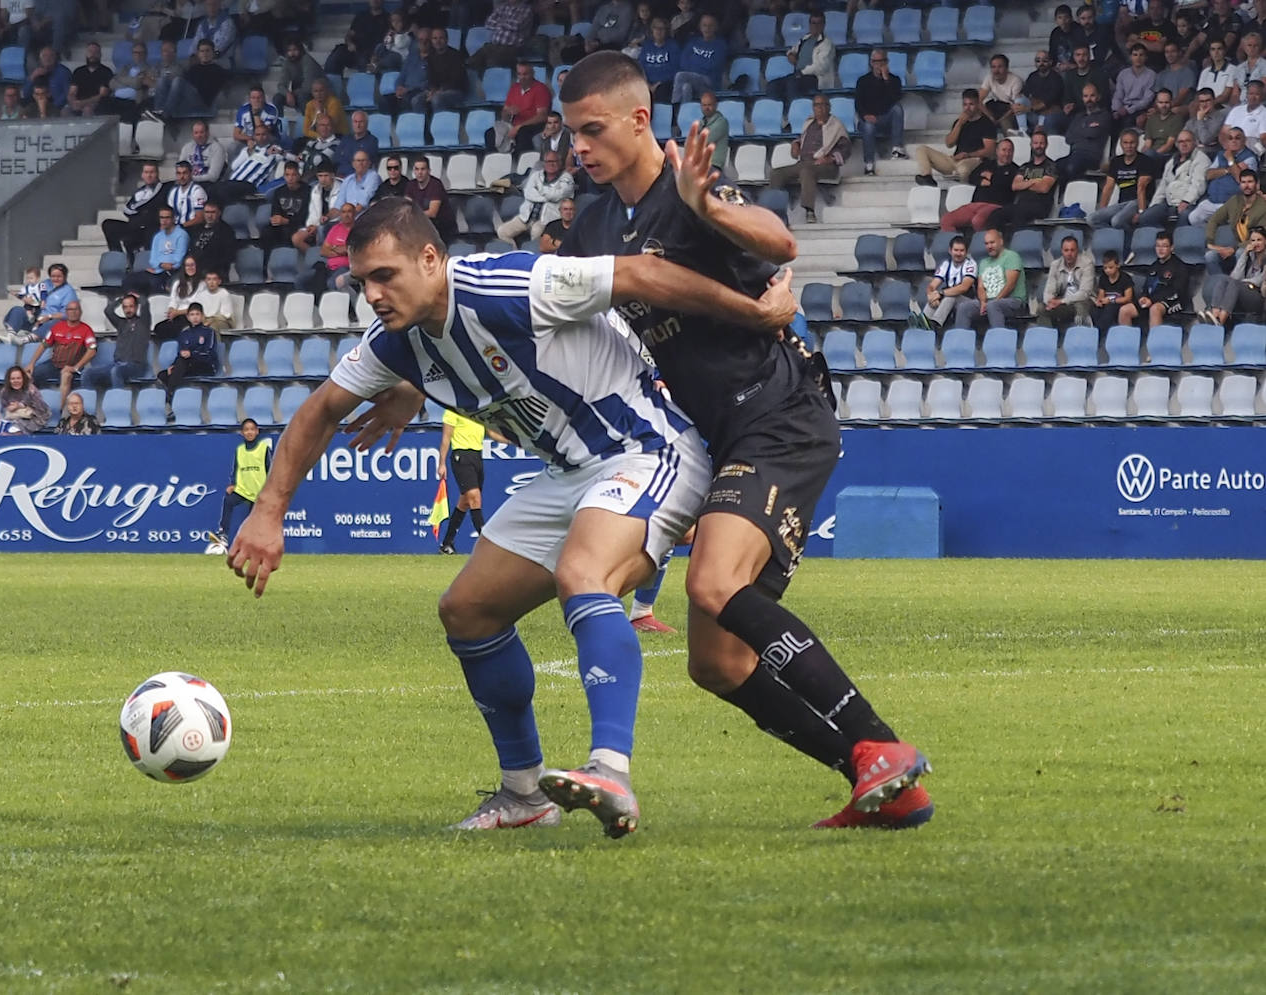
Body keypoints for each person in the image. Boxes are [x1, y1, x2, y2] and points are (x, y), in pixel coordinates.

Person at [228, 197, 798, 837]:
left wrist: (754, 312)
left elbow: (639, 276)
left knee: (584, 573)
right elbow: (320, 410)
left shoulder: (509, 285)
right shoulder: (396, 343)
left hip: (645, 447)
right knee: (468, 610)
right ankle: (524, 797)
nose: (374, 294)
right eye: (362, 282)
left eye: (386, 275)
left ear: (429, 259)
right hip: (569, 472)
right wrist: (268, 512)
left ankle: (610, 768)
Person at [539, 52, 931, 829]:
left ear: (639, 119)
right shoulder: (590, 225)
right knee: (715, 662)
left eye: (591, 130)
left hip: (778, 413)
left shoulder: (688, 187)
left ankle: (880, 747)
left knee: (713, 584)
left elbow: (778, 241)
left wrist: (709, 209)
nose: (578, 147)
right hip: (710, 437)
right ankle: (882, 773)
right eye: (570, 133)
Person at [768, 94, 850, 223]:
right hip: (804, 162)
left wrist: (830, 158)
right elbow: (803, 139)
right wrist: (795, 144)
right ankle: (775, 212)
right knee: (776, 174)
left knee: (806, 171)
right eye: (816, 105)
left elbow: (846, 149)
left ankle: (810, 211)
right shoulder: (809, 123)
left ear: (829, 107)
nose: (819, 108)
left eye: (823, 105)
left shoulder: (836, 125)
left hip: (826, 165)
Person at [436, 409, 494, 554]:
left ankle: (447, 543)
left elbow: (492, 433)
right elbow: (446, 438)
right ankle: (485, 546)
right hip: (461, 456)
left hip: (477, 456)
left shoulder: (478, 409)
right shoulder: (452, 411)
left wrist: (514, 440)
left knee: (465, 502)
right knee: (475, 498)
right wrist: (441, 463)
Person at [208, 419, 273, 547]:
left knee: (253, 521)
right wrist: (233, 484)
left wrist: (269, 489)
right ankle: (223, 535)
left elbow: (269, 469)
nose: (249, 432)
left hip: (258, 491)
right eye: (246, 430)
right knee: (228, 501)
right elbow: (237, 468)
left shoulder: (263, 449)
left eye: (252, 429)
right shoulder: (240, 450)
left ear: (257, 431)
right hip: (242, 489)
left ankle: (256, 544)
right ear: (242, 433)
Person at [914, 88, 997, 186]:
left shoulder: (986, 123)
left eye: (971, 104)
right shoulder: (959, 122)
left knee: (962, 169)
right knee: (922, 149)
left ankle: (960, 189)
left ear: (978, 104)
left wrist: (968, 155)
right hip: (955, 160)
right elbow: (949, 143)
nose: (967, 108)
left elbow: (990, 150)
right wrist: (959, 124)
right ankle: (927, 178)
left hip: (974, 160)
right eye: (965, 104)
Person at [938, 138, 1017, 233]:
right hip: (975, 204)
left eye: (1010, 150)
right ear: (997, 151)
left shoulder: (1015, 169)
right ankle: (958, 246)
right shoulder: (987, 164)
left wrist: (991, 177)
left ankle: (982, 245)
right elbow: (972, 177)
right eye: (1004, 150)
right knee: (946, 220)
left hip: (996, 206)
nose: (1007, 153)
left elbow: (1007, 184)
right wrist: (980, 181)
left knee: (978, 220)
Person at [497, 150, 575, 245]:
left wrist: (540, 189)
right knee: (502, 231)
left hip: (547, 219)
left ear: (560, 163)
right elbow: (528, 193)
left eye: (554, 161)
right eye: (548, 161)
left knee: (536, 231)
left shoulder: (567, 178)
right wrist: (547, 195)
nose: (551, 164)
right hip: (526, 217)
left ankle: (535, 257)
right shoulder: (536, 175)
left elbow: (557, 195)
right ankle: (516, 253)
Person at [955, 228, 1026, 330]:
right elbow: (980, 287)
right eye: (986, 244)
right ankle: (960, 342)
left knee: (993, 306)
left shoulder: (1011, 256)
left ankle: (998, 341)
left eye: (992, 242)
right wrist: (983, 302)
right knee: (964, 307)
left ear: (1001, 241)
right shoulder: (984, 262)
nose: (989, 246)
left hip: (1012, 301)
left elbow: (1011, 284)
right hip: (988, 301)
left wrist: (993, 301)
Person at [988, 131, 1060, 232]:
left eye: (1041, 143)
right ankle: (997, 242)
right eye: (1035, 143)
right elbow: (1015, 186)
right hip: (1021, 204)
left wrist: (1025, 183)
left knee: (1019, 214)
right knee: (996, 214)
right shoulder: (1025, 167)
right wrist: (1033, 181)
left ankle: (1016, 243)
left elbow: (1044, 188)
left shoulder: (1051, 166)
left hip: (1040, 206)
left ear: (1046, 145)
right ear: (1031, 145)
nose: (1038, 146)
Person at [26, 300, 97, 401]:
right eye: (70, 309)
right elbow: (44, 345)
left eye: (76, 309)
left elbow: (92, 351)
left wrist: (76, 367)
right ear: (66, 312)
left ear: (80, 312)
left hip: (72, 367)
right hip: (54, 364)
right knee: (28, 375)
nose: (73, 312)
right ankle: (34, 406)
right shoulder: (57, 327)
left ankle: (59, 411)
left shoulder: (86, 330)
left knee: (66, 375)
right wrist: (31, 363)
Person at [1140, 129, 1210, 229]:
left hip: (1190, 203)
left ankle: (1176, 241)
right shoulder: (1172, 161)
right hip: (1169, 204)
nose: (1184, 144)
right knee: (1146, 217)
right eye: (1181, 142)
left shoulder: (1201, 159)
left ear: (1195, 142)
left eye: (1187, 141)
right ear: (1176, 144)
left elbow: (1198, 185)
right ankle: (1163, 241)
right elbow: (1162, 186)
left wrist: (1186, 201)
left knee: (1184, 217)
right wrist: (1154, 205)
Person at [1088, 128, 1156, 229]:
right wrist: (1102, 210)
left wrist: (1141, 213)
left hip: (1138, 201)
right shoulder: (1116, 162)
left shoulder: (1145, 161)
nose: (1129, 146)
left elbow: (1141, 188)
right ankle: (1114, 238)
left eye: (1132, 143)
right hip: (1122, 203)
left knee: (1117, 221)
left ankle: (1129, 240)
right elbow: (1108, 187)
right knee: (1092, 219)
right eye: (1125, 143)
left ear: (1137, 143)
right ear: (1121, 144)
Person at [1190, 127, 1259, 224]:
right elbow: (1209, 175)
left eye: (1237, 138)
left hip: (1233, 203)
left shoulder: (1250, 158)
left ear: (1244, 140)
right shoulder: (1221, 154)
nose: (1234, 141)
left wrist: (1230, 160)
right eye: (1230, 138)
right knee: (1193, 218)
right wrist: (1229, 170)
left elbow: (1242, 181)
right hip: (1212, 200)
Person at [157, 303, 219, 409]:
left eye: (197, 314)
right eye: (192, 314)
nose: (195, 317)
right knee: (163, 374)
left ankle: (170, 397)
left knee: (181, 364)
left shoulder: (209, 332)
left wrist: (192, 354)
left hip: (205, 364)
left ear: (202, 316)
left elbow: (210, 353)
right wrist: (173, 366)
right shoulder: (184, 334)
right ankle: (173, 403)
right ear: (188, 317)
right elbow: (180, 353)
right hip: (188, 365)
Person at [85, 293, 153, 389]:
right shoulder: (121, 323)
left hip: (136, 366)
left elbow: (145, 303)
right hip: (118, 364)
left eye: (131, 306)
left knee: (116, 371)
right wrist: (120, 299)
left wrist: (137, 296)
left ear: (137, 307)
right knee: (87, 373)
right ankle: (87, 402)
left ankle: (118, 400)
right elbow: (108, 311)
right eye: (125, 307)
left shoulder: (143, 322)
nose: (128, 310)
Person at [854, 47, 904, 175]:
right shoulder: (863, 81)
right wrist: (865, 115)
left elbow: (895, 98)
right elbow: (858, 103)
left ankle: (897, 149)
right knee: (869, 127)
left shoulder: (894, 80)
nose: (879, 64)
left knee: (897, 109)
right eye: (876, 62)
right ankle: (869, 164)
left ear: (886, 62)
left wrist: (886, 80)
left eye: (882, 61)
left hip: (885, 118)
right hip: (867, 119)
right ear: (871, 63)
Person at [0, 262, 76, 344]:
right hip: (35, 318)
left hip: (50, 322)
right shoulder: (45, 283)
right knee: (17, 310)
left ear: (65, 276)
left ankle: (26, 339)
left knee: (56, 323)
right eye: (53, 276)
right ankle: (11, 336)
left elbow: (68, 315)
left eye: (59, 276)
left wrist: (49, 316)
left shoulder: (69, 292)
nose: (56, 279)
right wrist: (28, 300)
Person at [1202, 225, 1266, 325]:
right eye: (1253, 240)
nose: (1256, 243)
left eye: (1259, 240)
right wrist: (1244, 255)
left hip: (1258, 297)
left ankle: (1221, 321)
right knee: (1224, 280)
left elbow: (1260, 280)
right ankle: (1214, 315)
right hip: (1244, 291)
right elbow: (1235, 276)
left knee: (1235, 284)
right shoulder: (1250, 255)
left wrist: (1242, 282)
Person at [1205, 168, 1266, 269]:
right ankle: (1220, 281)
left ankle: (1239, 283)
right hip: (1237, 246)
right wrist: (1210, 243)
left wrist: (1233, 249)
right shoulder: (1234, 201)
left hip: (1257, 247)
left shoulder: (1263, 206)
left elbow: (1262, 235)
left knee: (1240, 253)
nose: (1246, 186)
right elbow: (1214, 220)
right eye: (1243, 182)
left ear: (1257, 184)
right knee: (1210, 256)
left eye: (1250, 182)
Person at [772, 9, 834, 104]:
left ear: (823, 25)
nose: (815, 26)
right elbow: (792, 50)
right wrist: (790, 55)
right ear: (809, 25)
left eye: (819, 23)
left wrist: (802, 72)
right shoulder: (805, 39)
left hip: (815, 78)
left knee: (792, 84)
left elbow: (821, 67)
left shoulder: (827, 43)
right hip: (799, 75)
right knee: (773, 86)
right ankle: (781, 112)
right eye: (813, 23)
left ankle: (794, 112)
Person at [124, 207, 190, 294]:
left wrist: (163, 265)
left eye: (167, 217)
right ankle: (137, 300)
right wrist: (160, 264)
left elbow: (178, 259)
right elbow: (153, 259)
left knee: (155, 284)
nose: (164, 221)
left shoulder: (182, 235)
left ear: (174, 218)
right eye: (162, 218)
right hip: (158, 270)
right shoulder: (158, 236)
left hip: (174, 272)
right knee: (129, 279)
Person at [1131, 231, 1189, 326]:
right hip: (1152, 301)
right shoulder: (1154, 266)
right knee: (1125, 310)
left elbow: (1177, 292)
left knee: (1155, 309)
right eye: (1158, 246)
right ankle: (1127, 340)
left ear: (1172, 247)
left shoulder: (1180, 267)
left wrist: (1152, 301)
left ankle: (1154, 340)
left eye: (1164, 246)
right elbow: (1146, 287)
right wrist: (1143, 297)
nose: (1160, 249)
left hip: (1173, 302)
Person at [491, 62, 551, 154]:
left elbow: (542, 116)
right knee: (490, 133)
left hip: (534, 125)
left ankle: (522, 161)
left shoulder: (541, 89)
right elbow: (504, 115)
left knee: (523, 133)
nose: (522, 77)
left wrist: (519, 127)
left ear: (532, 74)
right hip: (514, 124)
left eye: (525, 74)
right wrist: (508, 112)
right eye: (519, 74)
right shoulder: (514, 88)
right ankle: (494, 160)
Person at [1060, 83, 1115, 181]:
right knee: (1055, 167)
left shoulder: (1104, 115)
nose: (1089, 99)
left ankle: (1076, 192)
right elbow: (1068, 138)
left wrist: (1078, 131)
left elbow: (1093, 133)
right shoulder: (1078, 116)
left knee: (1071, 167)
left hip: (1092, 157)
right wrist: (1087, 130)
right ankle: (1063, 194)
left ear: (1098, 97)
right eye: (1086, 96)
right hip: (1074, 154)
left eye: (1092, 95)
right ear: (1082, 98)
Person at [922, 235, 978, 330]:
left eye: (961, 250)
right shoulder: (946, 264)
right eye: (956, 250)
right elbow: (932, 285)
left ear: (966, 252)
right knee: (935, 297)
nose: (958, 253)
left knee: (950, 296)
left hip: (968, 300)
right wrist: (931, 295)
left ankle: (935, 323)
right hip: (949, 298)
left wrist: (940, 293)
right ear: (950, 250)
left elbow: (964, 287)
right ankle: (923, 322)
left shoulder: (971, 264)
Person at [260, 161, 312, 259]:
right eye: (287, 175)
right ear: (284, 176)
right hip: (282, 224)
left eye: (293, 175)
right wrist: (275, 219)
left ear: (299, 175)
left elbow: (305, 216)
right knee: (266, 231)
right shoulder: (279, 191)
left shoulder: (308, 191)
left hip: (299, 225)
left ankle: (287, 261)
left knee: (287, 232)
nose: (290, 178)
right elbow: (275, 211)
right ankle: (266, 263)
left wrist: (286, 221)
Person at [1042, 235, 1096, 328]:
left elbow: (1084, 293)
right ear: (1062, 251)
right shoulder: (1055, 265)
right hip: (1062, 301)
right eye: (1066, 250)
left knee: (1080, 306)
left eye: (1072, 250)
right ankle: (1048, 338)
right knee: (1042, 308)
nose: (1069, 253)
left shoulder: (1087, 263)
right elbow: (1049, 290)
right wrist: (1050, 302)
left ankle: (1081, 334)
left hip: (1081, 301)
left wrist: (1062, 301)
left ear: (1077, 251)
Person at [469, 0, 533, 71]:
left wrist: (498, 22)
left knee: (492, 62)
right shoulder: (503, 7)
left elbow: (516, 25)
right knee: (471, 62)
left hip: (511, 48)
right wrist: (506, 23)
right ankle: (485, 79)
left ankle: (495, 77)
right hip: (493, 46)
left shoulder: (526, 9)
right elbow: (488, 23)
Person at [151, 255, 204, 339]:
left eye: (192, 265)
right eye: (187, 265)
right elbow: (173, 300)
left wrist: (177, 312)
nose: (190, 268)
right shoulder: (178, 283)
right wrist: (171, 310)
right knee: (159, 327)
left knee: (177, 330)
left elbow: (196, 306)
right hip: (177, 315)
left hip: (191, 316)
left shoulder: (202, 284)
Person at [417, 26, 468, 113]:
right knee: (416, 100)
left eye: (441, 38)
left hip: (456, 91)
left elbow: (456, 80)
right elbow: (431, 79)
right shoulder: (430, 57)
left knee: (437, 99)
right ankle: (424, 126)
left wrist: (439, 91)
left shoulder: (456, 55)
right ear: (431, 41)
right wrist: (433, 91)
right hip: (438, 91)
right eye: (435, 38)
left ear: (447, 40)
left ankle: (440, 125)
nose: (438, 41)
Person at [405, 155, 454, 240]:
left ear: (429, 171)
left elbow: (432, 213)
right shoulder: (410, 185)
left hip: (442, 229)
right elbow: (406, 207)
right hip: (422, 225)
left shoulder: (436, 184)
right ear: (414, 171)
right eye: (417, 169)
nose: (419, 172)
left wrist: (413, 214)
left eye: (423, 169)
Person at [273, 38, 325, 113]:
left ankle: (308, 122)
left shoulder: (307, 60)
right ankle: (279, 122)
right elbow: (281, 84)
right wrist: (287, 93)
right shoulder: (287, 62)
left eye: (295, 50)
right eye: (289, 51)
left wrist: (292, 94)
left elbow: (308, 87)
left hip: (316, 93)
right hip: (298, 93)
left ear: (300, 50)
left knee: (302, 97)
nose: (292, 53)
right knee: (277, 98)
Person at [1021, 50, 1067, 135]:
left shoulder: (1056, 78)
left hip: (1052, 113)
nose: (1041, 63)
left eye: (1044, 61)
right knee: (1019, 102)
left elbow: (1049, 102)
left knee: (1049, 119)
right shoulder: (1032, 76)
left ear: (1050, 62)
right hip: (1035, 112)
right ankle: (1022, 130)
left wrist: (1032, 108)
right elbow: (1027, 95)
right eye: (1038, 61)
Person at [188, 201, 238, 278]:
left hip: (215, 272)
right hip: (194, 268)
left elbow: (228, 257)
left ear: (219, 213)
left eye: (213, 212)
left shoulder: (227, 231)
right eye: (207, 212)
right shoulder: (196, 229)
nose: (209, 216)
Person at [637, 16, 680, 104]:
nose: (658, 31)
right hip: (646, 82)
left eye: (662, 28)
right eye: (656, 28)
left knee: (661, 92)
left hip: (664, 84)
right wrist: (647, 84)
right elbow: (640, 66)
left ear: (666, 31)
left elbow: (675, 70)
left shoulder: (673, 46)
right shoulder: (647, 45)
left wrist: (656, 85)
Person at [63, 40, 111, 117]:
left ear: (100, 55)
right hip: (79, 102)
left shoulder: (106, 72)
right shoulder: (78, 71)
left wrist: (83, 103)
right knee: (65, 111)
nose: (93, 54)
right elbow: (72, 92)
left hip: (96, 104)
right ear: (86, 54)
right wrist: (73, 102)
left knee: (87, 109)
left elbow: (102, 95)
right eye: (90, 51)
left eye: (96, 52)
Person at [1061, 45, 1109, 121]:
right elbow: (1067, 97)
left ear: (1089, 56)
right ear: (1074, 57)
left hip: (1095, 114)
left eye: (1084, 55)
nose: (1081, 58)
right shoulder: (1070, 75)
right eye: (1078, 55)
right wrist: (1067, 105)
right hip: (1075, 114)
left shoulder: (1099, 74)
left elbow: (1103, 100)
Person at [1092, 250, 1135, 332]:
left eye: (1110, 267)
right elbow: (1101, 294)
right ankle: (1095, 332)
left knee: (1109, 309)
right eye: (1105, 268)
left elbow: (1128, 298)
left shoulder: (1125, 278)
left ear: (1118, 265)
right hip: (1108, 304)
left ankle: (1099, 332)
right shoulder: (1103, 278)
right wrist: (1099, 301)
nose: (1107, 270)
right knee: (1095, 310)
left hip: (1121, 304)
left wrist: (1111, 300)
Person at [0, 366, 50, 434]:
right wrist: (9, 408)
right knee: (4, 427)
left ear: (23, 379)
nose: (16, 381)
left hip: (34, 417)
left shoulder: (31, 390)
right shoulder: (5, 392)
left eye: (18, 378)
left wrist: (21, 405)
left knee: (17, 428)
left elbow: (42, 409)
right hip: (13, 417)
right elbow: (3, 408)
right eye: (13, 379)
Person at [978, 53, 1023, 133]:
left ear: (1006, 68)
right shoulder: (989, 77)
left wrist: (1000, 120)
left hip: (1012, 110)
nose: (996, 71)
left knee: (1004, 122)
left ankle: (1011, 142)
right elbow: (978, 100)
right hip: (997, 107)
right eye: (993, 67)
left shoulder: (1016, 81)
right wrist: (990, 117)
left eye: (1000, 67)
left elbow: (1016, 107)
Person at [180, 120, 227, 187]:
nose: (199, 135)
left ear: (207, 133)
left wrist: (191, 178)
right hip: (188, 183)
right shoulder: (187, 148)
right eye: (196, 133)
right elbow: (180, 169)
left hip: (209, 185)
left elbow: (213, 176)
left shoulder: (217, 148)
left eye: (201, 132)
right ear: (192, 134)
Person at [1141, 88, 1183, 163]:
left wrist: (1152, 155)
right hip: (1151, 154)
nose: (1163, 105)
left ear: (1171, 102)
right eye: (1161, 102)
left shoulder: (1177, 119)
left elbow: (1169, 145)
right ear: (1156, 103)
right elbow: (1148, 143)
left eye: (1166, 102)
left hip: (1167, 155)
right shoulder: (1152, 119)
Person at [1154, 40, 1195, 115]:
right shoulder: (1161, 74)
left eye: (1173, 51)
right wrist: (1155, 109)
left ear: (1179, 53)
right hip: (1164, 107)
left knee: (1174, 111)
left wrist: (1164, 108)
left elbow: (1181, 98)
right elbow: (1157, 97)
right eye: (1167, 52)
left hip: (1181, 107)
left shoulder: (1188, 73)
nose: (1170, 55)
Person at [1226, 80, 1266, 156]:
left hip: (1252, 153)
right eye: (1251, 94)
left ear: (1262, 96)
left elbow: (1263, 138)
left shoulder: (1264, 113)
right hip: (1230, 151)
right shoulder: (1236, 110)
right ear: (1246, 94)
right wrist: (1227, 149)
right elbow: (1224, 133)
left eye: (1257, 94)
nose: (1253, 97)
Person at [1198, 41, 1235, 105]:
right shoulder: (1205, 72)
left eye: (1219, 49)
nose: (1216, 52)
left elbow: (1225, 96)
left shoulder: (1233, 69)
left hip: (1222, 106)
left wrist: (1209, 104)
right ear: (1210, 52)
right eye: (1213, 49)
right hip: (1205, 104)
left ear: (1225, 50)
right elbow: (1199, 93)